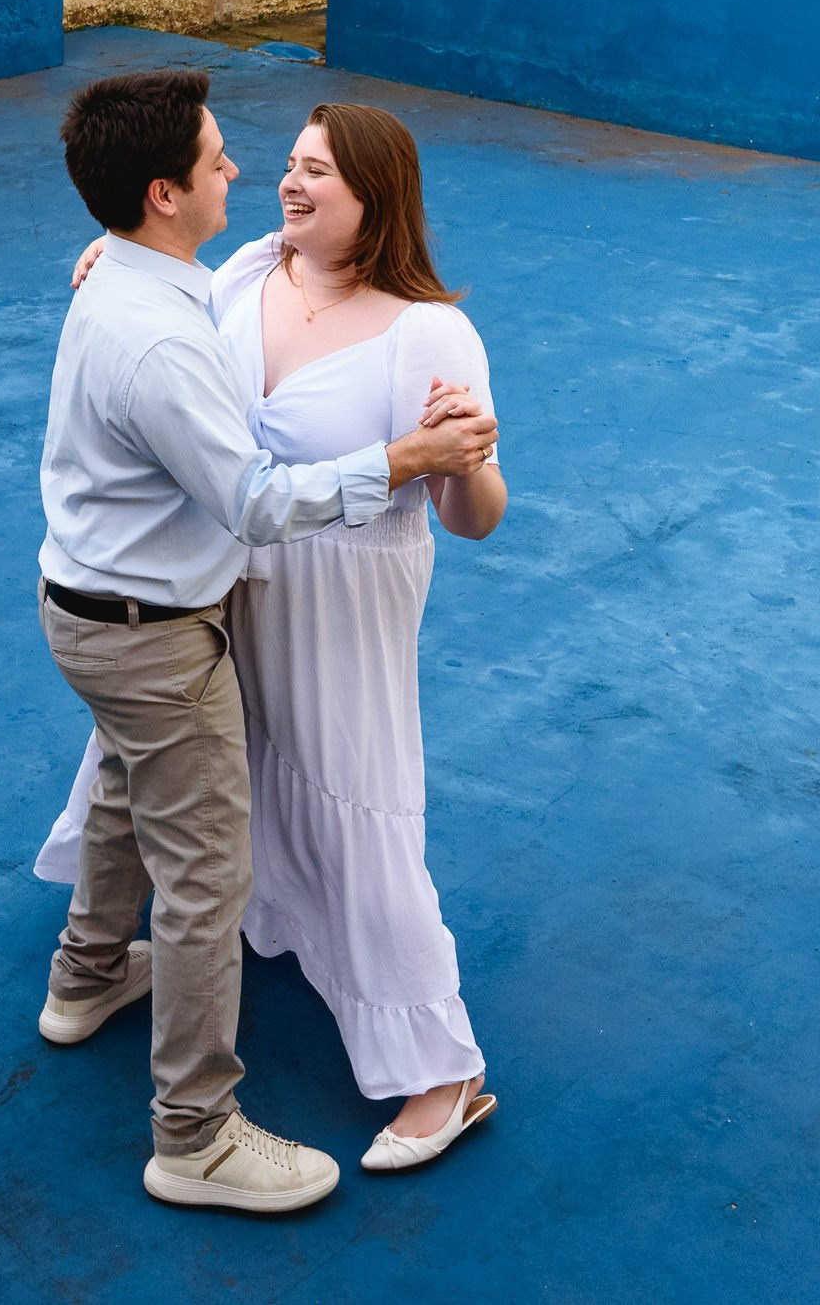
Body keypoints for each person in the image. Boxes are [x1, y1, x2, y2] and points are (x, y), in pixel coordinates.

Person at [36, 71, 498, 1213]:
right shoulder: (244, 273)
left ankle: (440, 1068)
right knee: (177, 814)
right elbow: (237, 472)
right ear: (163, 194)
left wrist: (462, 458)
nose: (273, 177)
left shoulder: (427, 331)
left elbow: (477, 511)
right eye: (261, 159)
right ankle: (174, 1098)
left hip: (331, 609)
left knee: (343, 795)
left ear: (374, 198)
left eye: (312, 168)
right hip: (215, 591)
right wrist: (112, 254)